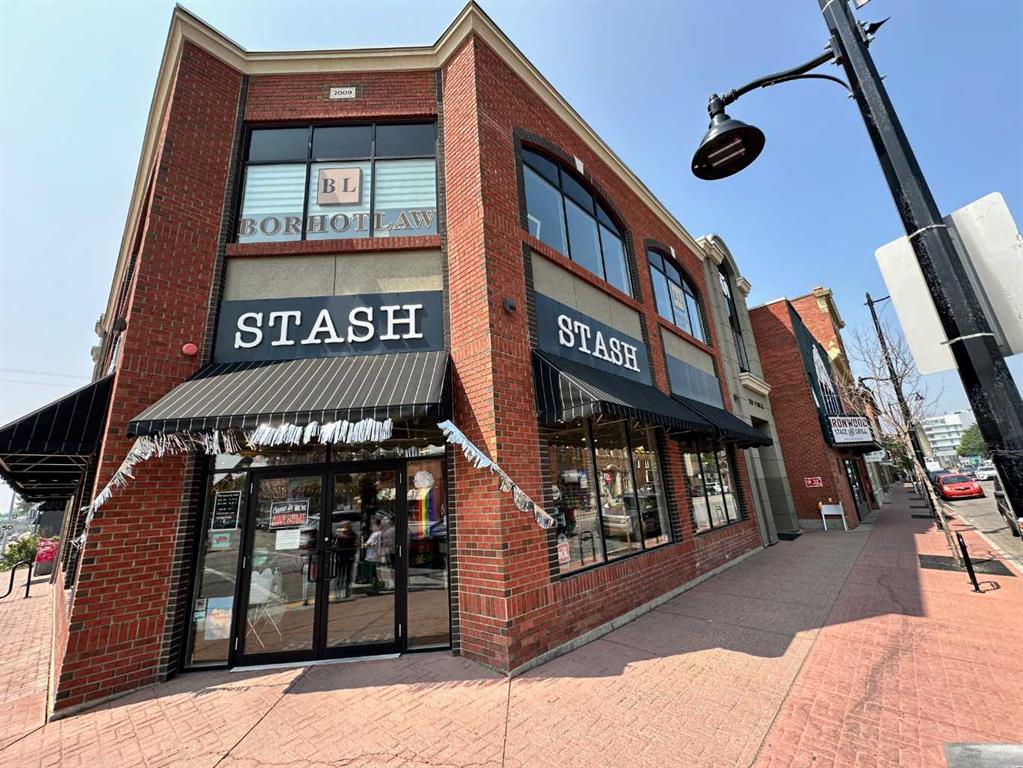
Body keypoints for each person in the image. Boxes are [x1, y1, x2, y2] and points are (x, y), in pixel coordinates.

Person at [331, 522, 357, 599]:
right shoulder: (339, 535)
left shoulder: (351, 534)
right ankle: (338, 592)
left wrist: (339, 535)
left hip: (348, 556)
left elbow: (350, 538)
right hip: (341, 556)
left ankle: (346, 592)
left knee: (346, 574)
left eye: (345, 525)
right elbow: (336, 544)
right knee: (340, 574)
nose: (343, 527)